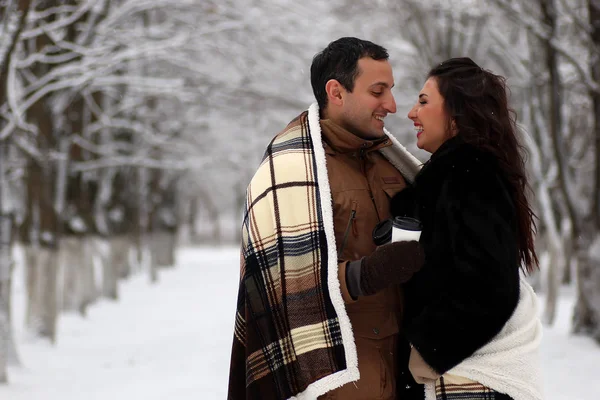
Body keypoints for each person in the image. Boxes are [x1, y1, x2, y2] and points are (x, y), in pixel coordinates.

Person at [227, 37, 426, 400]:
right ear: (336, 92)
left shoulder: (392, 164)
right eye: (378, 91)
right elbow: (280, 288)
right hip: (331, 386)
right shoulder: (288, 172)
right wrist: (365, 274)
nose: (393, 106)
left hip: (405, 377)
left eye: (391, 91)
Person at [389, 57, 543, 400]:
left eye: (424, 102)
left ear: (457, 114)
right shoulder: (457, 172)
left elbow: (491, 286)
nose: (412, 113)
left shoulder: (470, 175)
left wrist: (429, 348)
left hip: (471, 381)